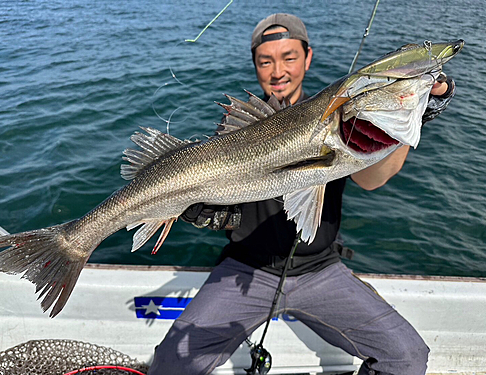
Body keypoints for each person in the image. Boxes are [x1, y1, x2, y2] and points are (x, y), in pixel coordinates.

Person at [148, 13, 456, 375]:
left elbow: (373, 179)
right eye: (266, 61)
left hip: (321, 270)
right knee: (169, 365)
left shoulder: (343, 119)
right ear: (255, 65)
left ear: (308, 58)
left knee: (406, 356)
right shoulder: (234, 129)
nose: (278, 70)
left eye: (289, 57)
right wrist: (218, 215)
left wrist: (417, 110)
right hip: (246, 269)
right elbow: (227, 202)